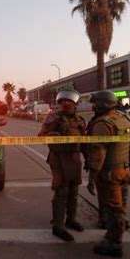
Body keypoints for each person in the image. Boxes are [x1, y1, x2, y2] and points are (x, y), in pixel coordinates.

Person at [86, 90, 130, 257]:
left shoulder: (103, 124)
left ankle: (114, 243)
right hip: (124, 170)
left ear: (102, 104)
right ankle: (120, 228)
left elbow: (98, 154)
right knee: (121, 205)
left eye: (95, 104)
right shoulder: (124, 119)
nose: (93, 107)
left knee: (113, 208)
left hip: (109, 174)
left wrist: (92, 177)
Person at [38, 89, 87, 242]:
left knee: (74, 190)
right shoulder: (53, 118)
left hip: (74, 158)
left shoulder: (80, 120)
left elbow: (84, 140)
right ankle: (58, 226)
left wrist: (89, 159)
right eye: (62, 101)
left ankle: (70, 219)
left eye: (69, 101)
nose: (65, 103)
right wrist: (49, 136)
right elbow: (40, 136)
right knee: (62, 191)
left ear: (75, 103)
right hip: (58, 159)